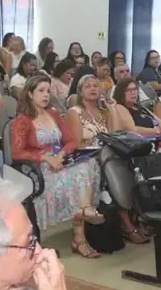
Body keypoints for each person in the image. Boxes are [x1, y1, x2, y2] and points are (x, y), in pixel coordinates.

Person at [11, 76, 105, 258]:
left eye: (48, 91)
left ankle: (83, 211)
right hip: (38, 170)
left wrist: (61, 155)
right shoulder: (22, 120)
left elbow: (71, 141)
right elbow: (17, 153)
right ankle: (80, 234)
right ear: (30, 94)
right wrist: (46, 158)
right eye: (41, 91)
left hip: (60, 163)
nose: (46, 95)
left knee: (90, 164)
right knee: (81, 178)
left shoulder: (53, 114)